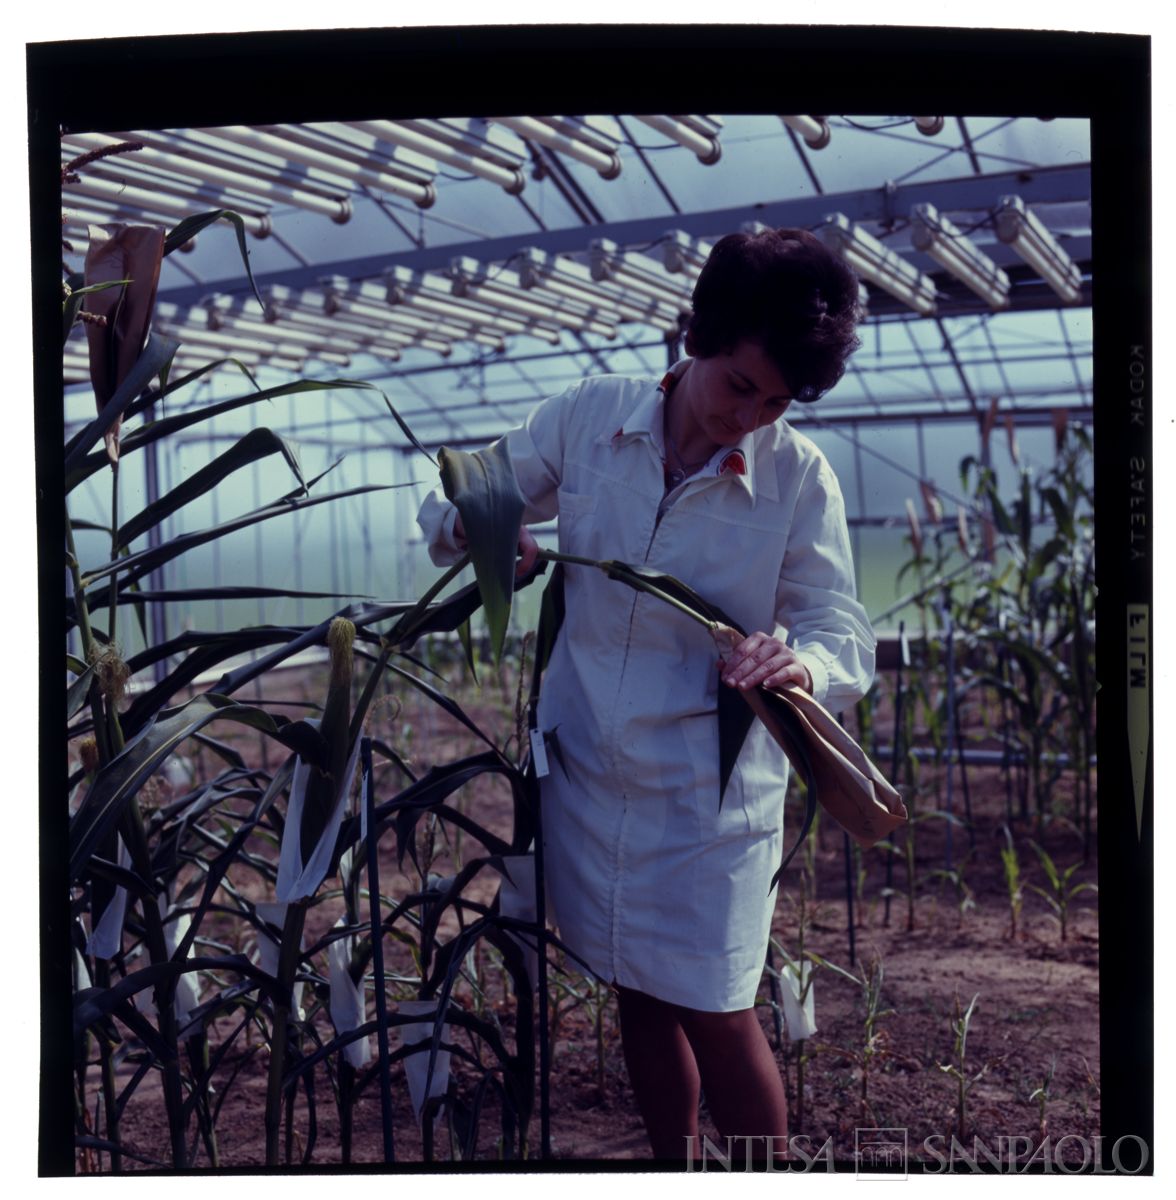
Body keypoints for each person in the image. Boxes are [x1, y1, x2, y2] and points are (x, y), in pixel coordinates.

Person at [417, 228, 875, 1161]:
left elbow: (839, 627)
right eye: (739, 385)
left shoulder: (797, 477)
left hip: (708, 802)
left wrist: (801, 668)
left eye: (777, 402)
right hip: (591, 772)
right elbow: (463, 490)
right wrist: (490, 528)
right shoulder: (593, 416)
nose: (749, 417)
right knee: (633, 984)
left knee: (717, 1006)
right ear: (698, 335)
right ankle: (675, 1169)